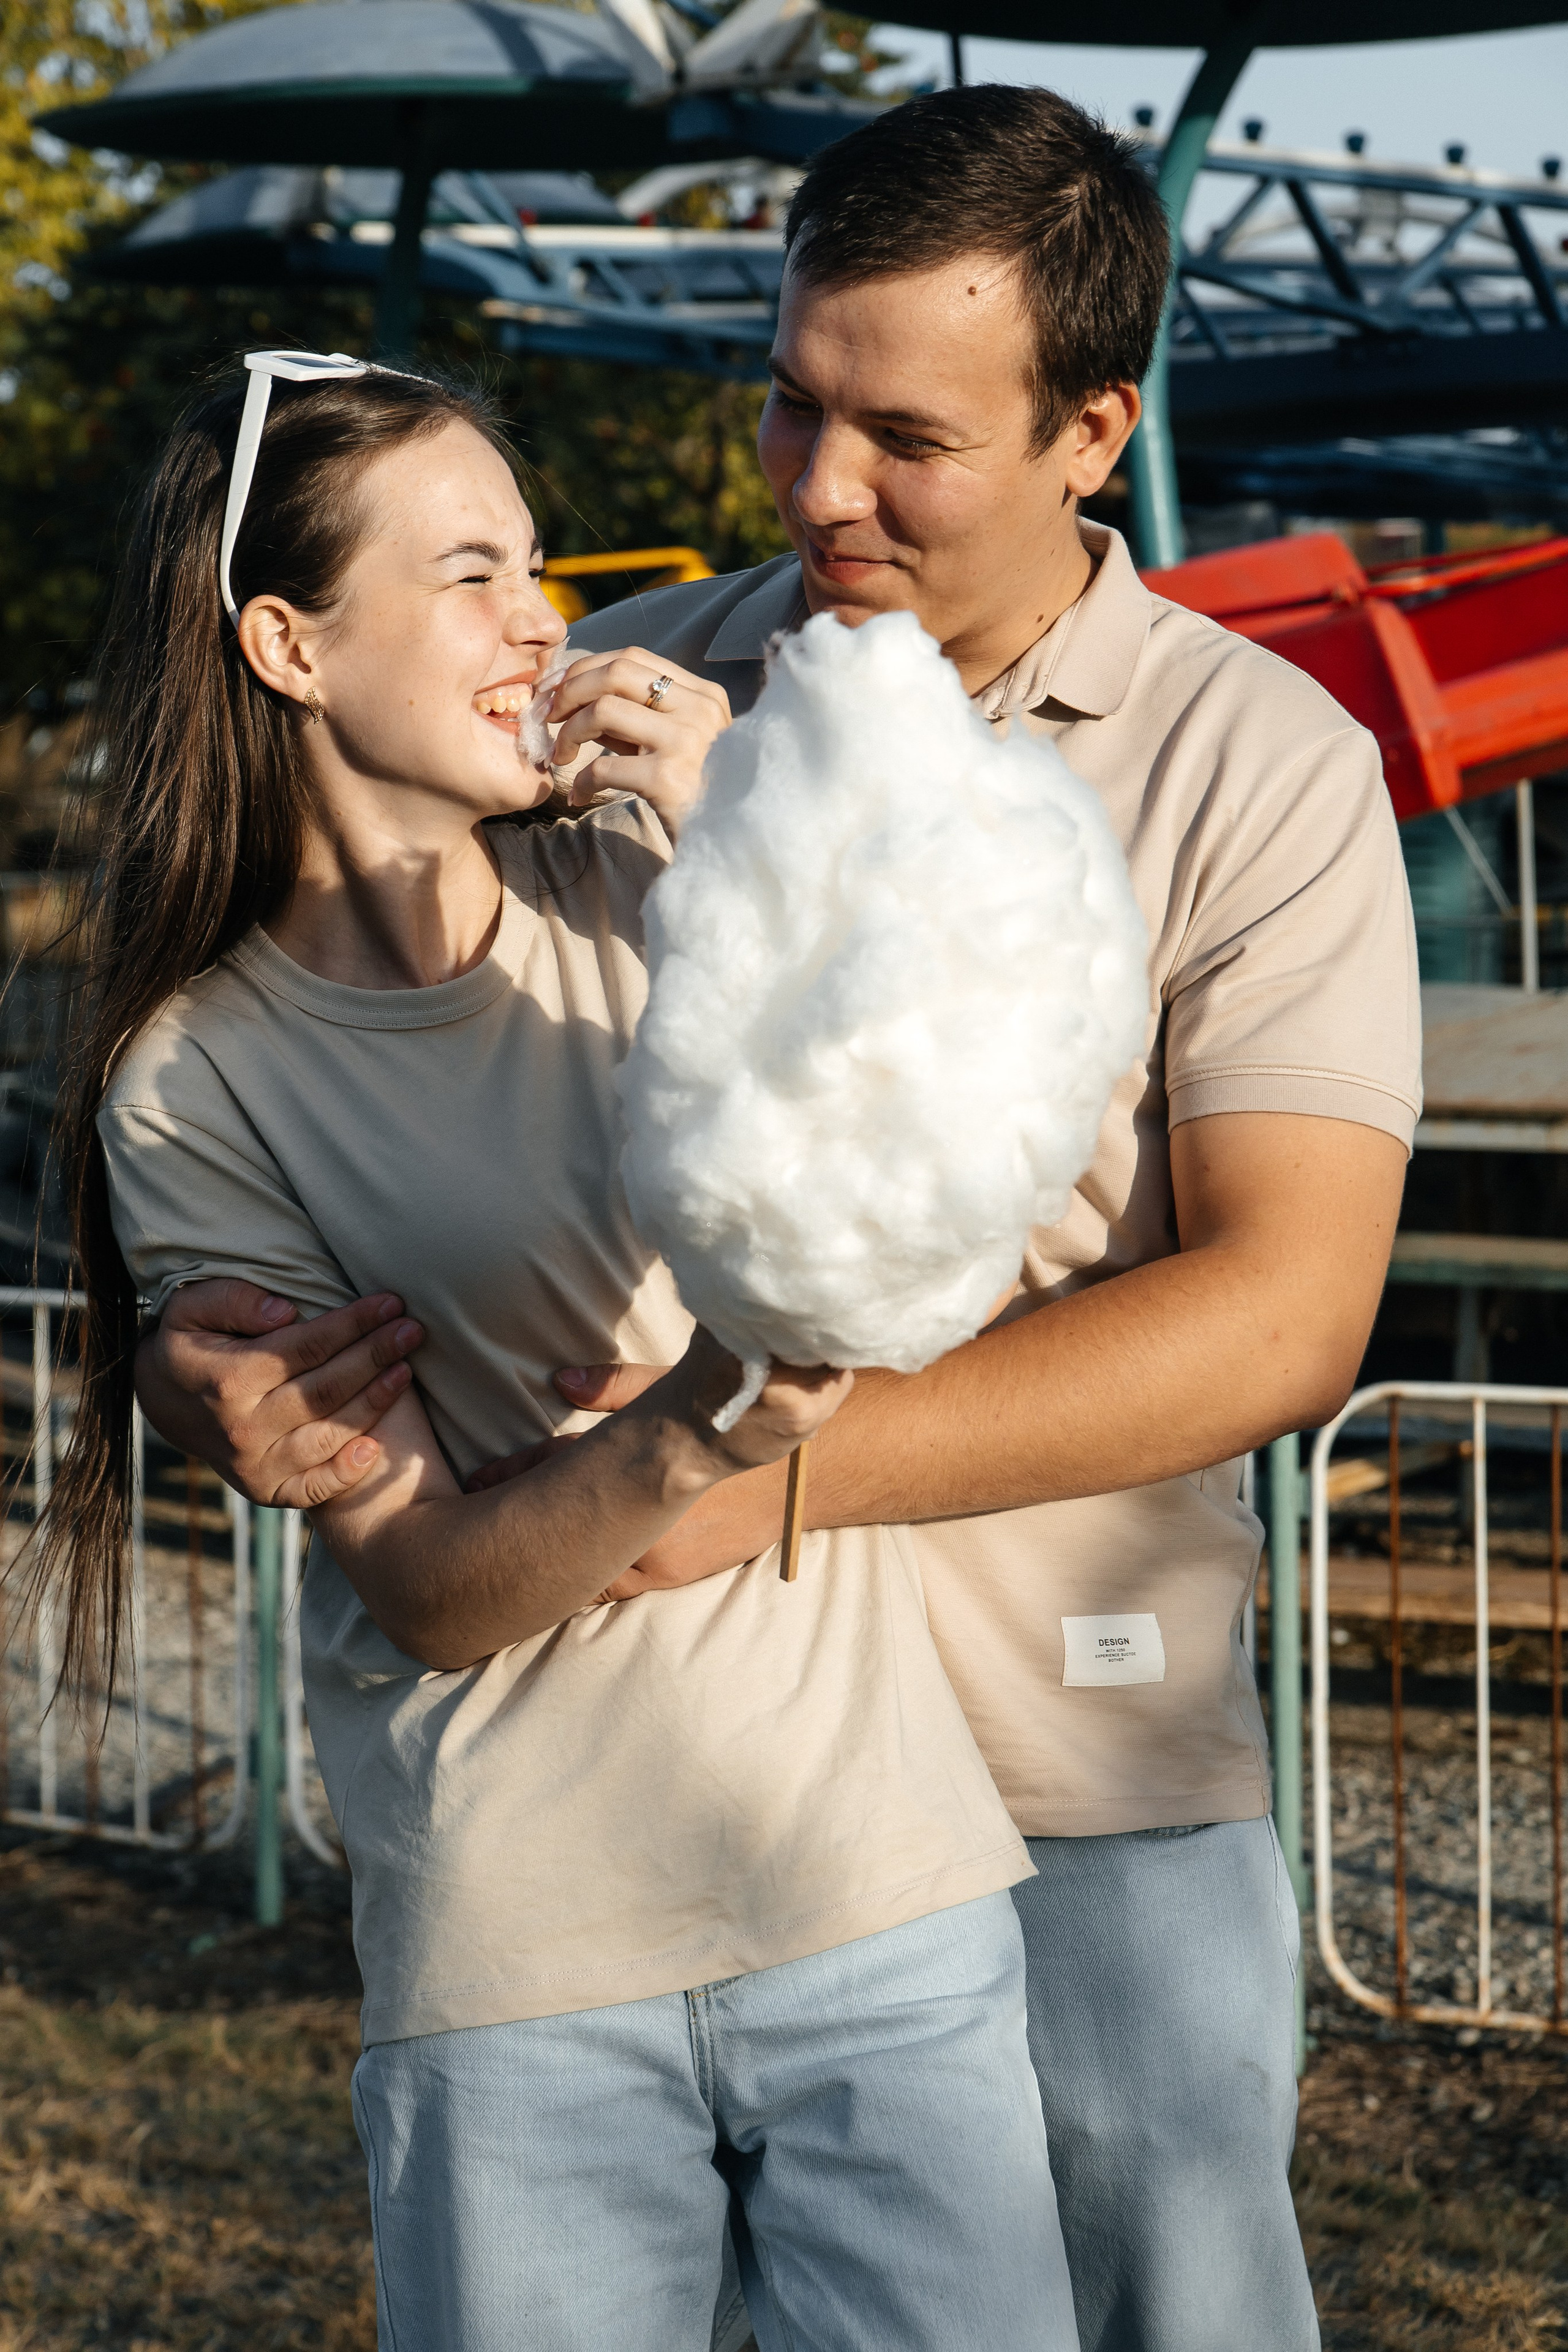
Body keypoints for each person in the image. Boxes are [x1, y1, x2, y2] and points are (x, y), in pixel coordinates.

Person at [136, 86, 1421, 2352]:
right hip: (671, 1819)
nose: (820, 488)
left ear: (1093, 431)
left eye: (905, 436)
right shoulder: (647, 682)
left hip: (1073, 1748)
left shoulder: (1259, 761)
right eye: (792, 402)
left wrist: (776, 1468)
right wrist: (195, 1351)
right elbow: (356, 1052)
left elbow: (1282, 1320)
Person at [33, 351, 1082, 2351]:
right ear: (288, 640)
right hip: (519, 1962)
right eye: (474, 574)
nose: (549, 620)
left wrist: (751, 831)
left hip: (877, 1885)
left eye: (540, 569)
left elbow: (973, 1186)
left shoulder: (652, 871)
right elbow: (429, 1587)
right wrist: (702, 1424)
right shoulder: (200, 1082)